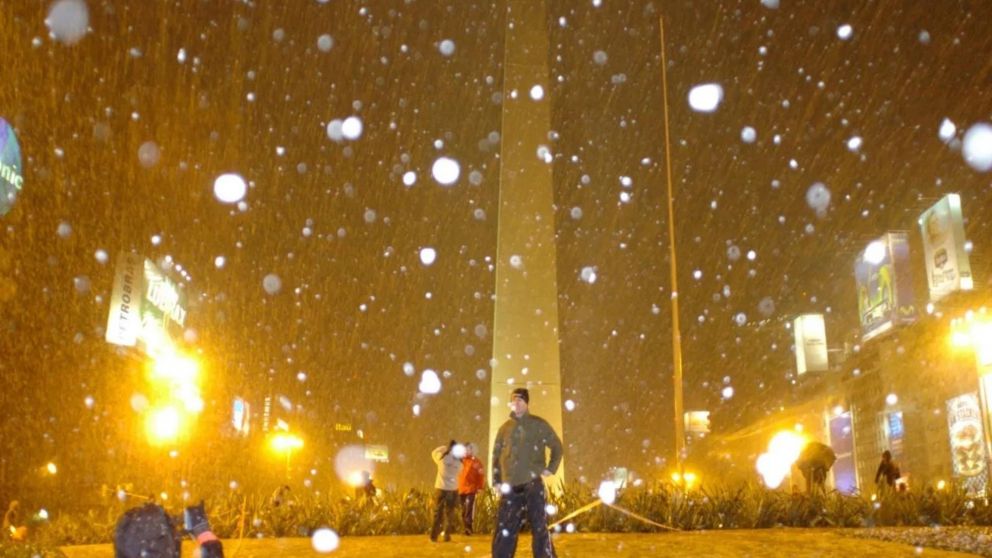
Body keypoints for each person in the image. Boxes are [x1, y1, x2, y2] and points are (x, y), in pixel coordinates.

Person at [492, 387, 563, 558]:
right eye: (513, 400)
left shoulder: (538, 424)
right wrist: (497, 481)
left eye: (520, 400)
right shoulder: (504, 429)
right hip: (510, 488)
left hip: (533, 485)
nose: (516, 404)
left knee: (539, 527)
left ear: (526, 402)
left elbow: (557, 447)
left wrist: (550, 467)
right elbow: (496, 457)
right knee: (505, 529)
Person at [430, 440, 461, 542]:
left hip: (440, 488)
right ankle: (447, 535)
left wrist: (443, 448)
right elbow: (460, 471)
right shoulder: (459, 463)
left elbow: (433, 452)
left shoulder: (441, 459)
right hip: (452, 489)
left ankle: (434, 536)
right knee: (449, 513)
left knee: (437, 513)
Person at [457, 442, 486, 535]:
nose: (466, 451)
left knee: (469, 508)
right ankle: (465, 527)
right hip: (460, 488)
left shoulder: (476, 462)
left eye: (468, 449)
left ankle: (468, 527)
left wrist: (480, 487)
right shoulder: (460, 461)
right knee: (463, 509)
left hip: (471, 488)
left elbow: (480, 475)